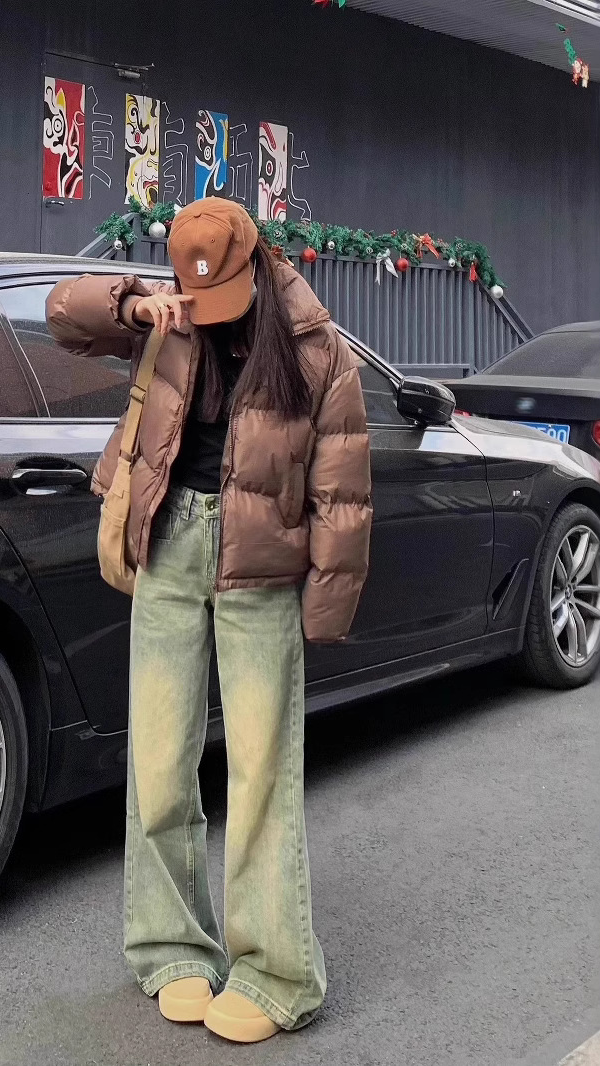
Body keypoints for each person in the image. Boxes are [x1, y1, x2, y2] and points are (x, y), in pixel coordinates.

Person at [46, 197, 371, 1043]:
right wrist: (133, 305)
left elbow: (342, 486)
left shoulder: (314, 344)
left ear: (257, 264)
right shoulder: (172, 313)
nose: (209, 312)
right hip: (169, 544)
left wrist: (326, 604)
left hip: (260, 563)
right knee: (158, 758)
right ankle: (171, 945)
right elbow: (62, 316)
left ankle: (277, 972)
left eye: (222, 294)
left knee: (262, 769)